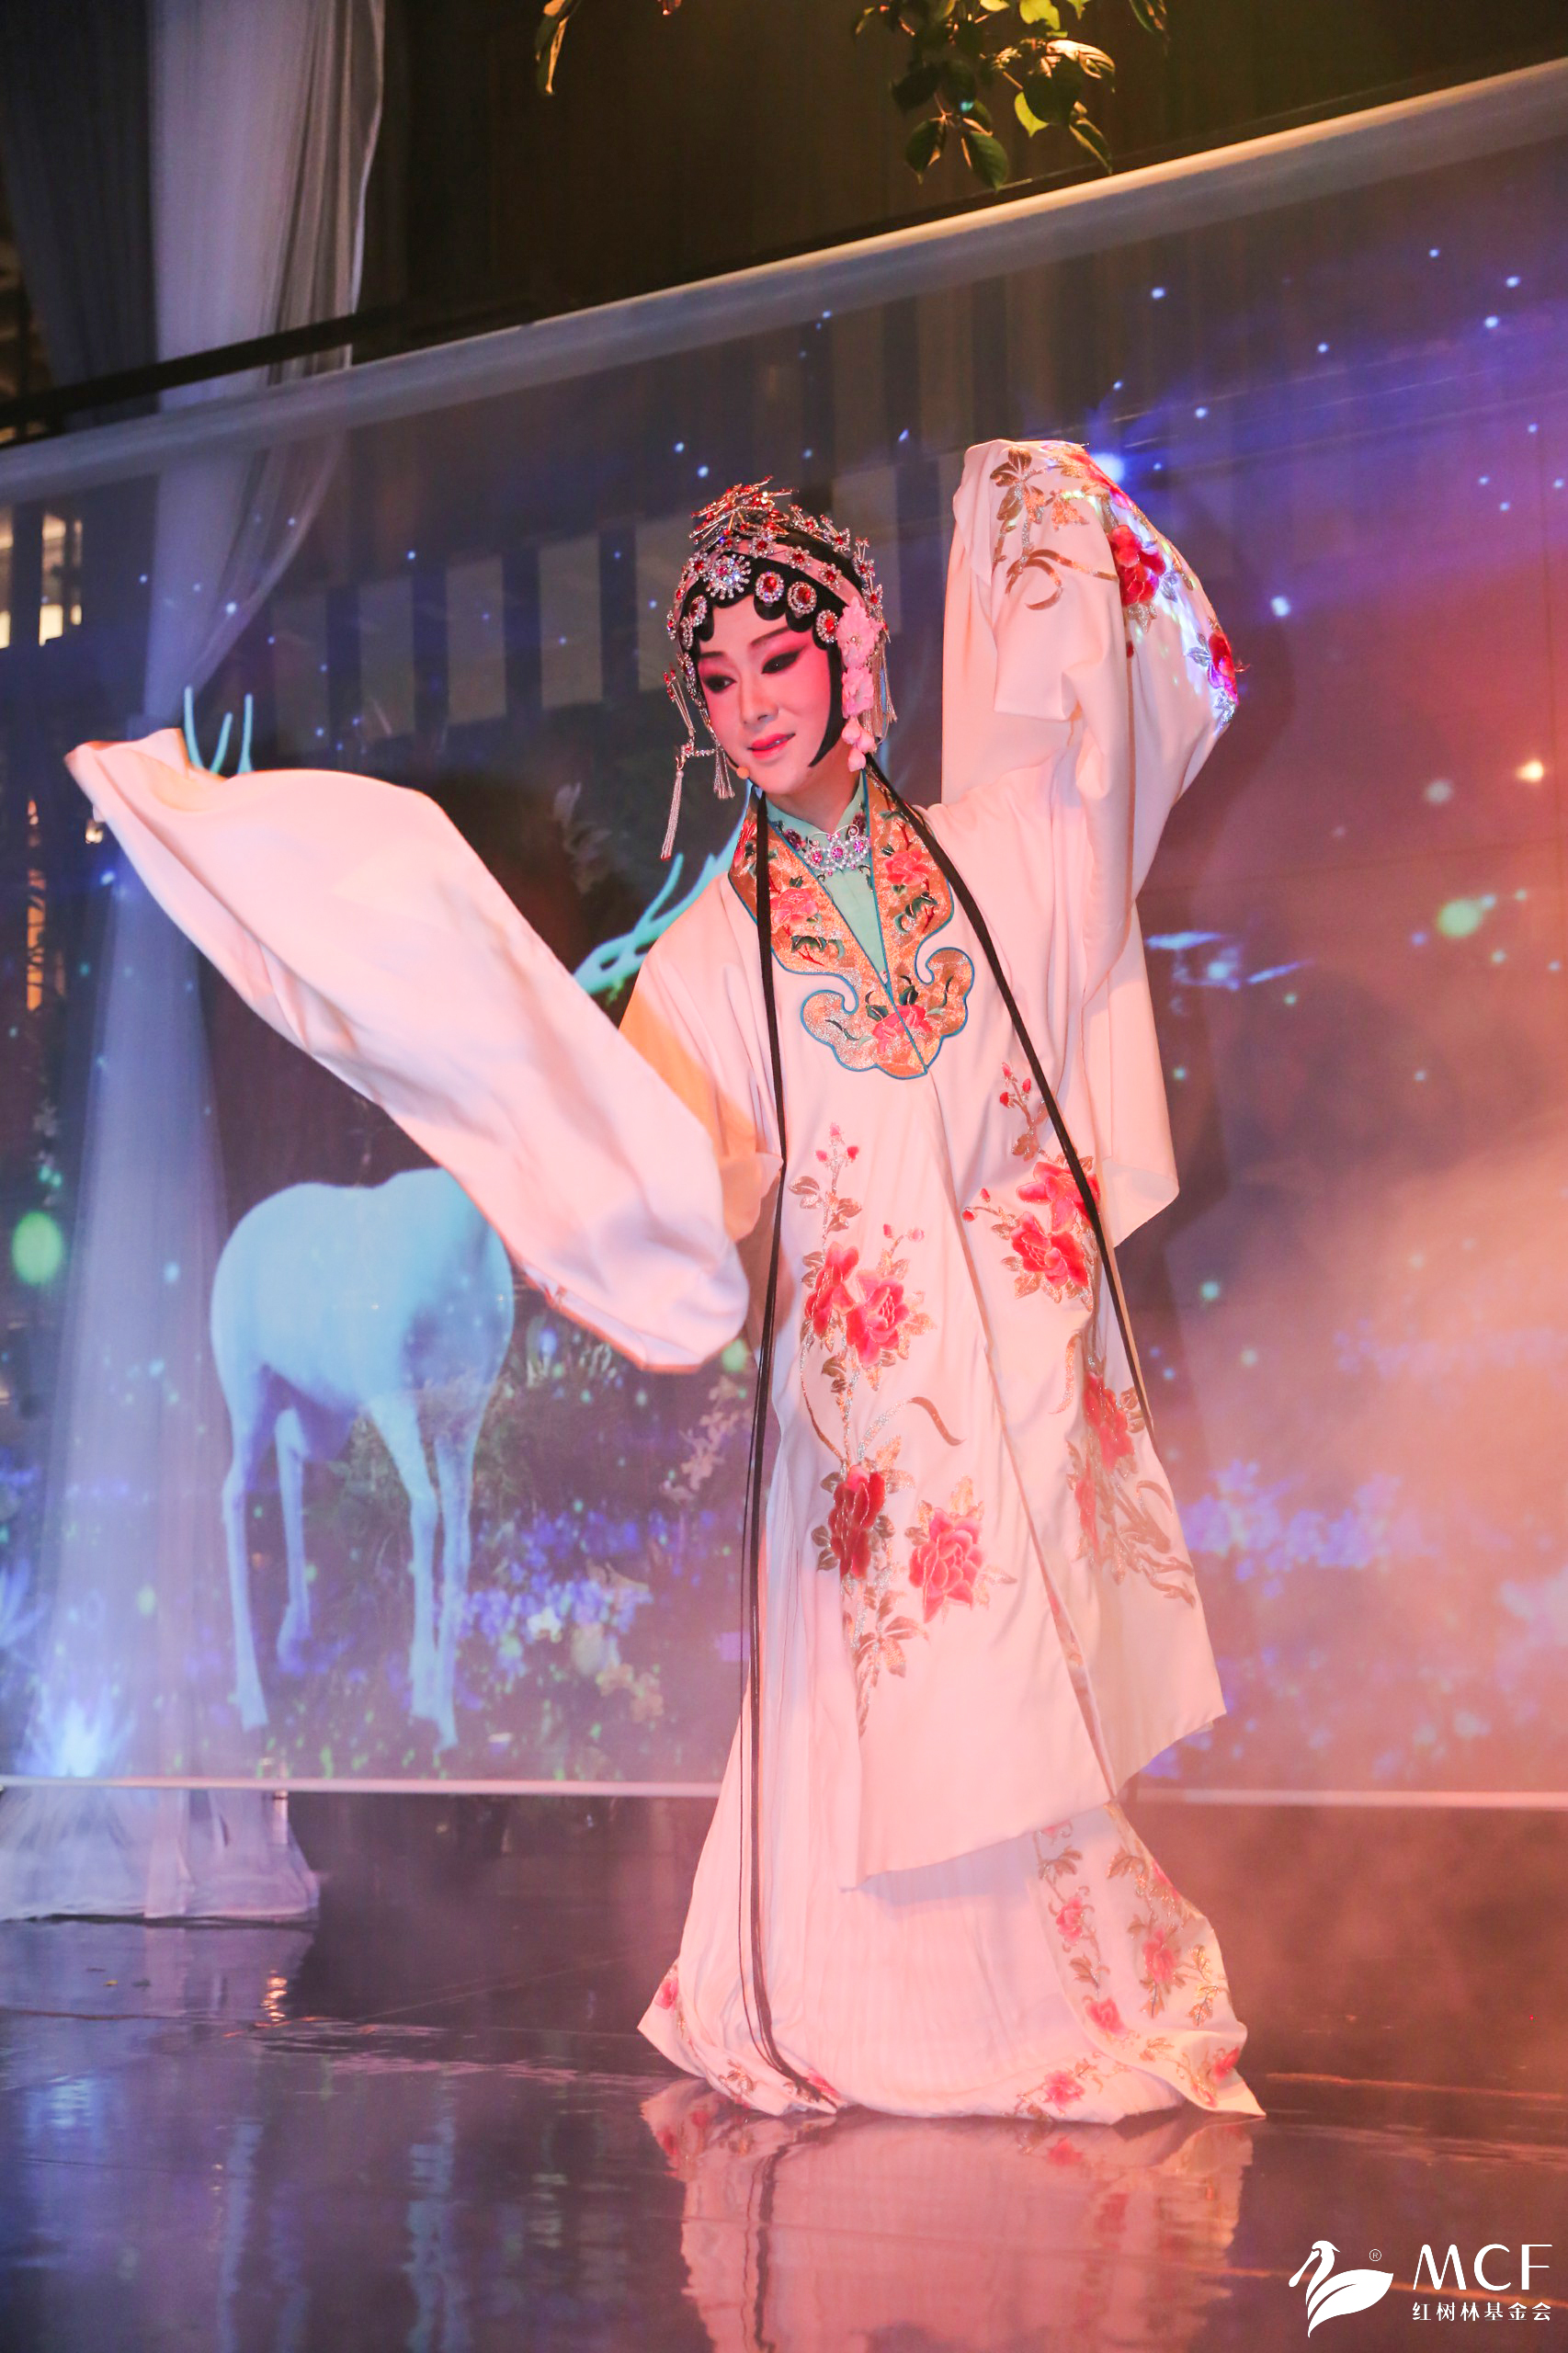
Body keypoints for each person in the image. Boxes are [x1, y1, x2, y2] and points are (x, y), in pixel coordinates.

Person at [68, 437, 1259, 2125]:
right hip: (866, 1392)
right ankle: (886, 2008)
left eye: (781, 657)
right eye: (720, 676)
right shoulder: (706, 957)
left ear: (855, 651)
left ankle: (1053, 1990)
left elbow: (1151, 699)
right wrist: (596, 1234)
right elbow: (665, 1173)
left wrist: (1033, 501)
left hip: (1012, 1348)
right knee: (908, 1676)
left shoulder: (999, 853)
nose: (752, 701)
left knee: (1022, 1680)